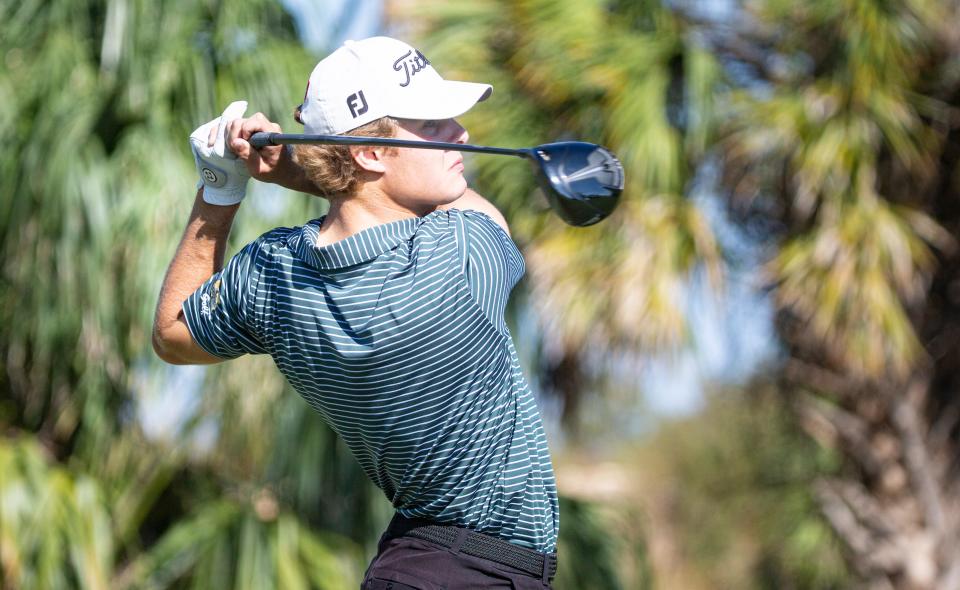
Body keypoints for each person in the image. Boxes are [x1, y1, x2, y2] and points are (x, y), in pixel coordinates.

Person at [152, 36, 559, 589]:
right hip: (465, 570)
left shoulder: (274, 274)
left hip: (419, 567)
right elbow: (477, 208)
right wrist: (294, 171)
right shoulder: (457, 255)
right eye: (432, 124)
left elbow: (173, 333)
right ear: (369, 153)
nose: (461, 133)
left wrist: (220, 189)